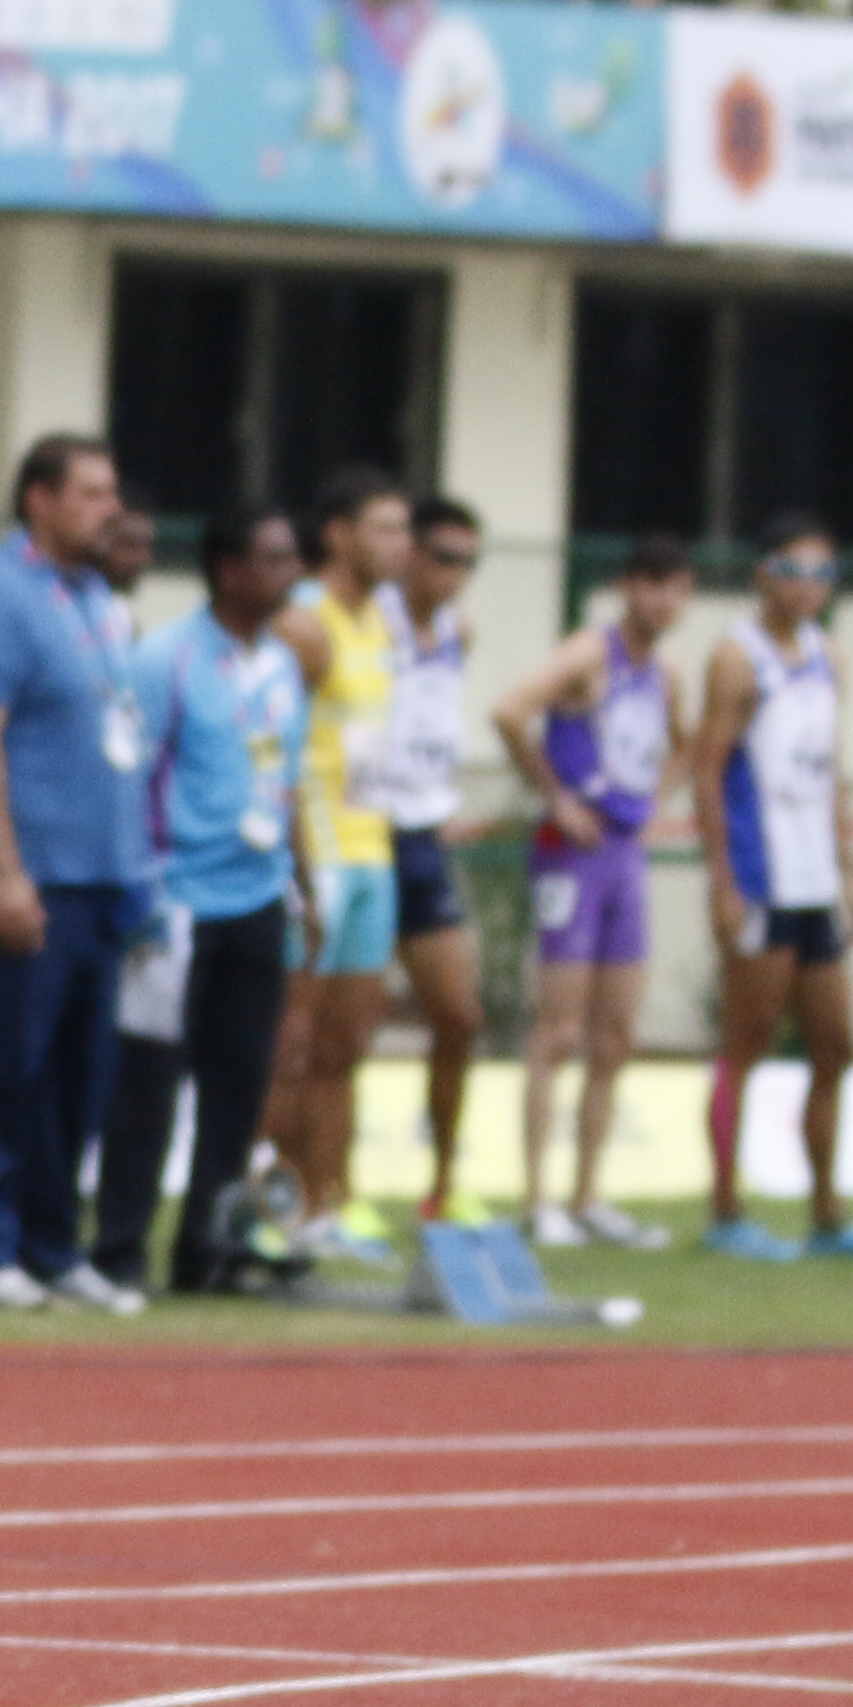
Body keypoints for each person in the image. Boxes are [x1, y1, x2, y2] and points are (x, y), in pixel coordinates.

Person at [0, 434, 144, 1313]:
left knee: (76, 1075)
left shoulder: (92, 597)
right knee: (2, 1062)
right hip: (23, 875)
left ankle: (53, 1247)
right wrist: (4, 872)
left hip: (97, 876)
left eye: (111, 490)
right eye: (91, 493)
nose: (109, 509)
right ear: (40, 500)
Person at [101, 501, 303, 1298]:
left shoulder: (283, 664)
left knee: (238, 1085)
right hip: (177, 903)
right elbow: (129, 773)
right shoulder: (166, 659)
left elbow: (281, 778)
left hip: (257, 900)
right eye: (276, 559)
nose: (291, 574)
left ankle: (208, 1249)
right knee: (149, 1083)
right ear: (229, 571)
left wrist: (297, 883)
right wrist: (143, 888)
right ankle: (118, 1248)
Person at [695, 514, 853, 1263]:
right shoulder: (736, 658)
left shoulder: (827, 657)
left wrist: (849, 872)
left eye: (824, 573)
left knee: (836, 1044)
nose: (810, 587)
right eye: (795, 570)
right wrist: (722, 878)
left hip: (815, 875)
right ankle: (725, 1208)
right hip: (762, 874)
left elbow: (830, 770)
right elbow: (708, 769)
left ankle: (828, 1213)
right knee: (746, 1042)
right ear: (763, 574)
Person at [488, 533, 690, 1249]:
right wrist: (556, 797)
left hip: (624, 851)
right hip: (573, 853)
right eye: (650, 584)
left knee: (616, 1035)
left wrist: (651, 800)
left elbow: (684, 741)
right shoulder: (590, 654)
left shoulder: (665, 670)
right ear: (628, 587)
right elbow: (510, 710)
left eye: (676, 587)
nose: (662, 600)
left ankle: (589, 1194)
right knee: (559, 1030)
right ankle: (537, 1195)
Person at [264, 469, 405, 1259]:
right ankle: (272, 1204)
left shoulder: (378, 621)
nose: (403, 545)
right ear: (338, 536)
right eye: (385, 528)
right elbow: (276, 745)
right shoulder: (305, 624)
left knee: (344, 1048)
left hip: (373, 851)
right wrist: (297, 865)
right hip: (319, 857)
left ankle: (329, 1206)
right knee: (289, 1045)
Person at [369, 494, 488, 1223]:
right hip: (364, 835)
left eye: (469, 563)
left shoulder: (456, 631)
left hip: (423, 838)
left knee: (460, 1016)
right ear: (409, 552)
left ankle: (443, 1186)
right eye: (445, 557)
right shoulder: (371, 620)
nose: (456, 576)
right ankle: (327, 1188)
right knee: (340, 1032)